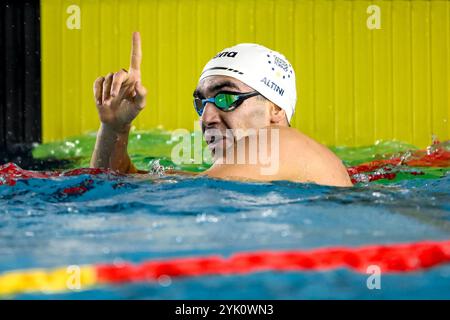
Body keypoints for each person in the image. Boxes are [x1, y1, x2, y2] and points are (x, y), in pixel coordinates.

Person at [90, 32, 353, 187]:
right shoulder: (240, 176)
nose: (206, 118)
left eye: (226, 98)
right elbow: (114, 182)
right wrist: (115, 127)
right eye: (201, 103)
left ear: (275, 109)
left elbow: (199, 194)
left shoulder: (283, 141)